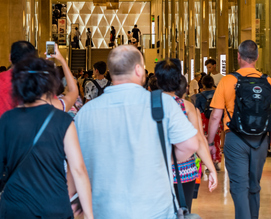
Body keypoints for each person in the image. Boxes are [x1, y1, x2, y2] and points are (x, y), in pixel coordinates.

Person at [75, 45, 199, 219]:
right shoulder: (164, 103)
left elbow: (76, 166)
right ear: (139, 70)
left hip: (104, 210)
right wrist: (163, 159)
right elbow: (191, 144)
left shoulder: (85, 113)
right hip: (155, 209)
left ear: (110, 72)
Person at [0, 57, 94, 219]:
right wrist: (89, 214)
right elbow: (78, 170)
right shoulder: (63, 120)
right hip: (53, 205)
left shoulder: (8, 119)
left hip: (15, 207)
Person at [207, 40, 271, 219]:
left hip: (235, 139)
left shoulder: (228, 80)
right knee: (254, 186)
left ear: (238, 57)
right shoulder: (267, 81)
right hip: (260, 141)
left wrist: (210, 143)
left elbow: (216, 116)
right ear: (257, 57)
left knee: (240, 188)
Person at [155, 59, 218, 212]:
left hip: (157, 171)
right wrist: (211, 169)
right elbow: (199, 140)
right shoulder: (186, 106)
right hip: (184, 171)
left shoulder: (150, 104)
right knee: (184, 212)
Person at [195, 74, 221, 170]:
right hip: (216, 118)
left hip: (204, 120)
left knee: (204, 140)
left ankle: (204, 162)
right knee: (216, 140)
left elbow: (196, 109)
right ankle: (215, 161)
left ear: (203, 85)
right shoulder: (217, 93)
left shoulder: (199, 96)